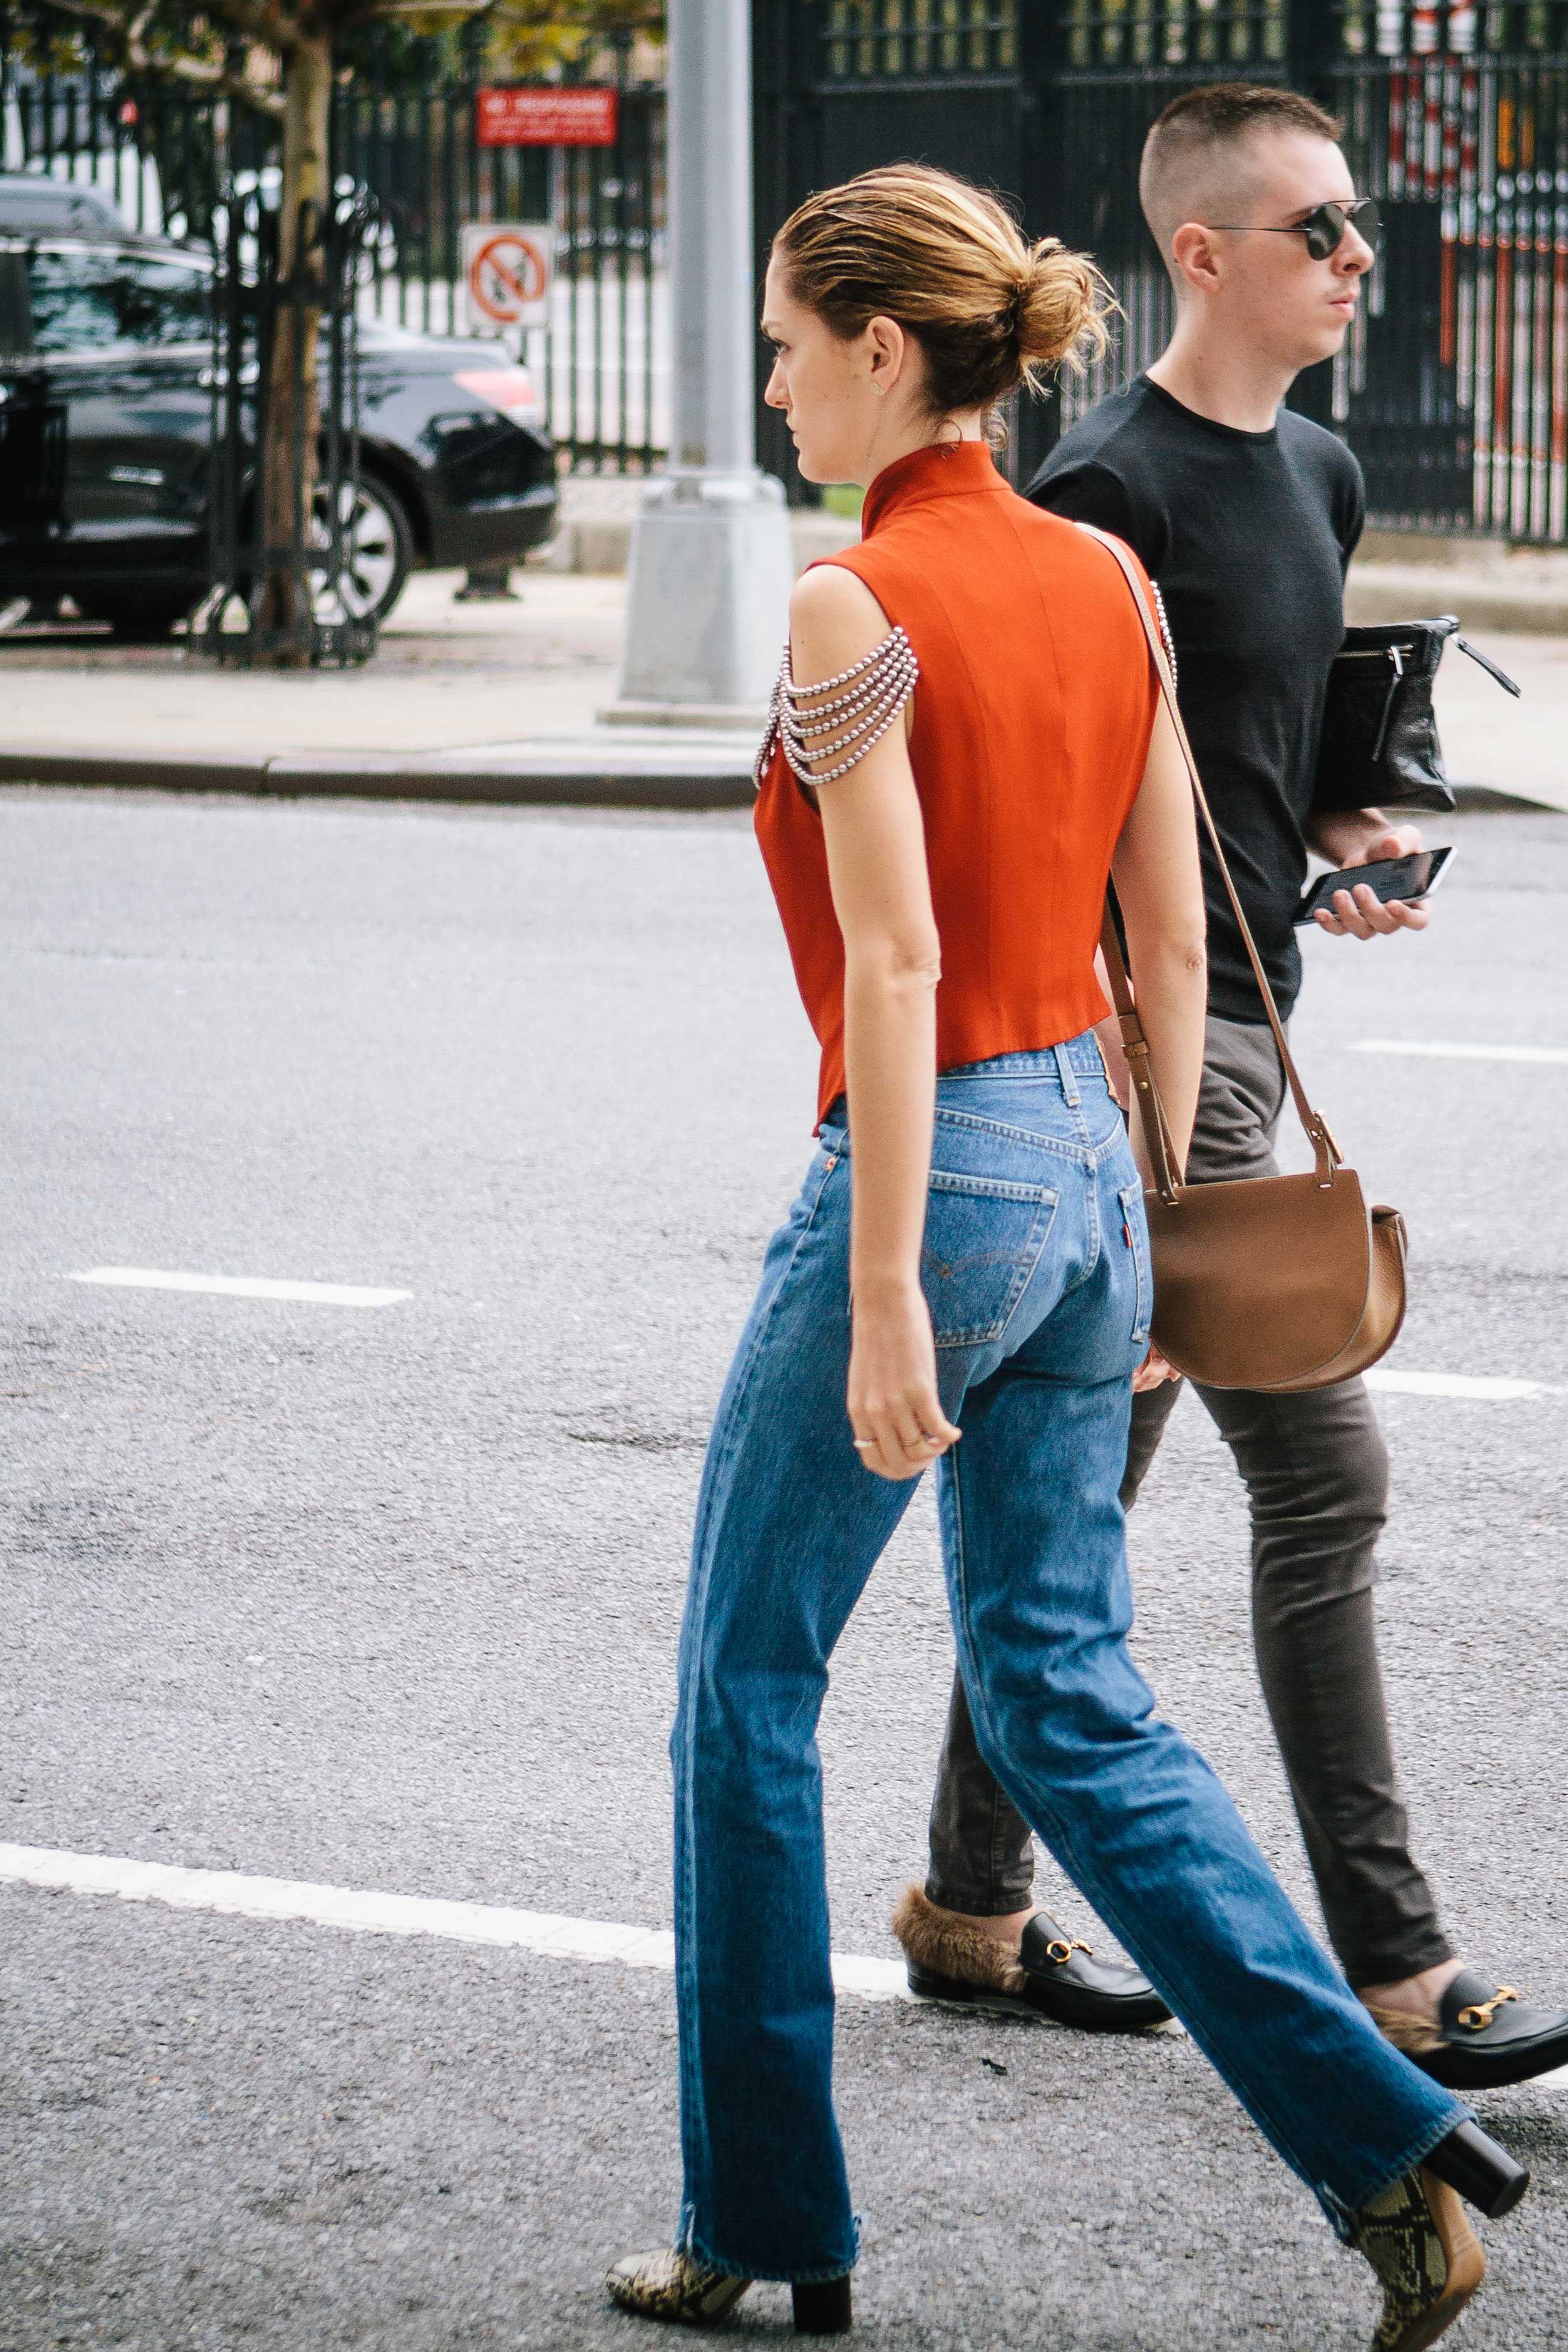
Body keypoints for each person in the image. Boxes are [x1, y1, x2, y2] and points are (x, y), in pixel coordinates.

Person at [605, 163, 1526, 2351]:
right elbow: (1172, 934)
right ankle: (1390, 2151)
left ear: (887, 352)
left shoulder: (851, 602)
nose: (770, 382)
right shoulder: (1108, 577)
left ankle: (763, 2221)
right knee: (1070, 1692)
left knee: (747, 1689)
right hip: (1103, 1177)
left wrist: (903, 1279)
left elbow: (901, 964)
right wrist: (1128, 1219)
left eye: (785, 343)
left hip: (937, 1172)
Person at [897, 82, 1568, 2095]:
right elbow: (1060, 810)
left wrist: (1342, 844)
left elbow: (1260, 755)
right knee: (1318, 1476)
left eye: (1357, 226)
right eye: (1325, 229)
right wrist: (1125, 1117)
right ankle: (1397, 1962)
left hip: (1248, 1032)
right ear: (1205, 253)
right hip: (1138, 1054)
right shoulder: (1108, 496)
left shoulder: (1326, 473)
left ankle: (967, 1900)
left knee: (1069, 1501)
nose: (1364, 256)